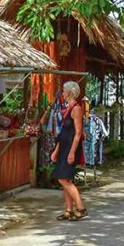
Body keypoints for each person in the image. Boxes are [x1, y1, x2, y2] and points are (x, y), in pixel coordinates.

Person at [50, 81, 88, 220]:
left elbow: (78, 133)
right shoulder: (67, 108)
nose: (62, 93)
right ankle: (68, 210)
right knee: (65, 178)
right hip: (64, 146)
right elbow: (64, 133)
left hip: (71, 147)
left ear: (70, 93)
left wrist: (72, 152)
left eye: (64, 90)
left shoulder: (76, 109)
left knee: (63, 179)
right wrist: (56, 151)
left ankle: (81, 208)